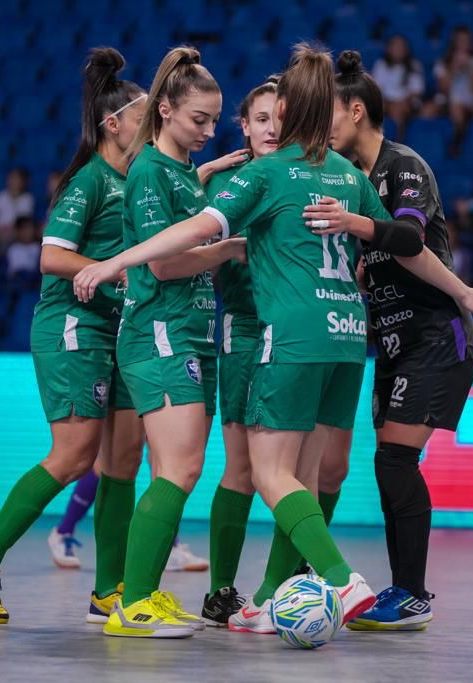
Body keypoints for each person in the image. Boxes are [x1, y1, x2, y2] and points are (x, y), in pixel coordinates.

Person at [73, 43, 473, 638]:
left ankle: (339, 579)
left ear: (291, 110)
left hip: (291, 339)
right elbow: (409, 245)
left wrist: (116, 261)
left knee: (270, 475)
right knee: (307, 472)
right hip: (349, 340)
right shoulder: (349, 175)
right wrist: (465, 291)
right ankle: (270, 600)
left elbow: (194, 230)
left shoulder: (268, 174)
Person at [0, 47, 148, 626]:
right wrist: (112, 271)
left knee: (124, 460)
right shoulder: (87, 181)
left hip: (120, 329)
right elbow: (50, 257)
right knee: (73, 455)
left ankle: (108, 590)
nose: (153, 122)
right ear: (115, 123)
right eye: (144, 115)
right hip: (74, 327)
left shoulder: (134, 181)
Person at [311, 49, 473, 631]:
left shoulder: (403, 165)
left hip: (435, 339)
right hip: (392, 343)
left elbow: (411, 240)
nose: (324, 128)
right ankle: (403, 592)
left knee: (395, 462)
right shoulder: (354, 177)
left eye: (330, 116)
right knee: (391, 462)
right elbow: (389, 255)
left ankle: (411, 595)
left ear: (357, 110)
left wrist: (463, 292)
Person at [67, 46, 243, 639]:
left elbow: (181, 205)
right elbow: (165, 265)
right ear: (164, 110)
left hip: (191, 336)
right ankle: (132, 602)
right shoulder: (146, 170)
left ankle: (141, 595)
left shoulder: (177, 173)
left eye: (215, 120)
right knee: (180, 468)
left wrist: (208, 175)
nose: (209, 130)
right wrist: (228, 248)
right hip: (159, 334)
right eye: (199, 119)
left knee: (174, 468)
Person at [199, 76, 280, 627]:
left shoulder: (307, 174)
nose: (273, 128)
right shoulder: (225, 185)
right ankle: (220, 591)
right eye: (262, 119)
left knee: (306, 466)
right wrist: (202, 174)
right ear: (244, 128)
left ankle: (291, 585)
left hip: (306, 331)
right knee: (245, 468)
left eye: (282, 118)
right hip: (246, 329)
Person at [431, 26, 473, 142]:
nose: (463, 44)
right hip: (448, 101)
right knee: (431, 110)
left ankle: (459, 139)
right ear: (454, 43)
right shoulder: (442, 63)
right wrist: (454, 69)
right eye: (460, 40)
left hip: (472, 101)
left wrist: (469, 69)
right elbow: (443, 89)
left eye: (466, 40)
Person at [370, 35, 425, 139]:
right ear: (389, 49)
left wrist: (400, 102)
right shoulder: (380, 65)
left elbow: (416, 91)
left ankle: (398, 141)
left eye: (401, 47)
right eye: (395, 46)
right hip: (386, 101)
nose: (398, 50)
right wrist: (389, 102)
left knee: (399, 109)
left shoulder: (414, 65)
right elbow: (376, 88)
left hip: (407, 102)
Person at [0, 167, 35, 247]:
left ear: (23, 181)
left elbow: (24, 222)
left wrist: (11, 231)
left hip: (15, 233)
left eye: (17, 178)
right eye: (12, 178)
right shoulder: (1, 195)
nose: (14, 181)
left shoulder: (28, 198)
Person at [4, 216, 42, 289]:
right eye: (23, 229)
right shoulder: (12, 249)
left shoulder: (39, 248)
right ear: (17, 231)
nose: (27, 232)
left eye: (29, 228)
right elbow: (9, 272)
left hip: (36, 284)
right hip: (17, 285)